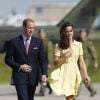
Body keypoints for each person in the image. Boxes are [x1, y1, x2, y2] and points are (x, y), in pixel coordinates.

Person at [5, 18, 47, 100]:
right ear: (24, 27)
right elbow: (7, 59)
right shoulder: (14, 42)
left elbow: (42, 59)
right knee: (23, 98)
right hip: (19, 77)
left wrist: (44, 73)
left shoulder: (38, 42)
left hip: (33, 77)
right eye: (29, 28)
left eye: (33, 28)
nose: (31, 30)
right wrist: (19, 66)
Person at [48, 22, 90, 100]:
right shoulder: (59, 45)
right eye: (67, 31)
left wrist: (86, 75)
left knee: (72, 96)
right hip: (65, 73)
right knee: (69, 96)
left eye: (71, 31)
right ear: (64, 33)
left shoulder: (78, 44)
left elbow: (81, 62)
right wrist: (64, 56)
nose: (69, 33)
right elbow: (55, 63)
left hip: (75, 72)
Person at [78, 29, 98, 97]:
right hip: (79, 60)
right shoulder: (79, 41)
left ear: (85, 34)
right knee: (84, 78)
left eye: (82, 32)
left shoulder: (88, 42)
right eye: (80, 32)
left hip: (85, 60)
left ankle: (75, 95)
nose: (81, 34)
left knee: (79, 76)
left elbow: (93, 52)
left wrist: (95, 61)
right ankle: (92, 90)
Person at [35, 29, 53, 96]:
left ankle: (42, 92)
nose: (41, 35)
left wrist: (49, 63)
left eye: (42, 33)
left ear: (44, 34)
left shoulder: (48, 42)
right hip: (38, 63)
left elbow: (50, 53)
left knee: (43, 76)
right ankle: (49, 86)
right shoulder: (37, 42)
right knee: (38, 78)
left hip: (45, 62)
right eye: (40, 33)